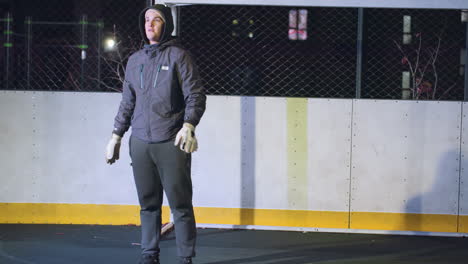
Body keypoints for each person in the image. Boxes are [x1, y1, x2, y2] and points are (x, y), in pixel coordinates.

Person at [105, 4, 206, 264]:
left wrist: (189, 124)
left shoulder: (179, 57)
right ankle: (149, 255)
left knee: (180, 205)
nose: (150, 24)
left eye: (157, 20)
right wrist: (116, 135)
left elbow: (195, 95)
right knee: (148, 204)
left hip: (171, 140)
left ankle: (185, 257)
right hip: (140, 142)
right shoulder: (134, 60)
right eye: (147, 20)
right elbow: (127, 102)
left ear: (166, 25)